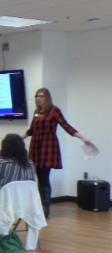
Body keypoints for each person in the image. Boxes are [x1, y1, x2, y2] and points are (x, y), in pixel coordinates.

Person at [21, 88, 92, 217]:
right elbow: (31, 130)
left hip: (48, 148)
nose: (38, 98)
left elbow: (66, 126)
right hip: (36, 147)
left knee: (44, 178)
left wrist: (83, 138)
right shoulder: (37, 112)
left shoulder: (54, 110)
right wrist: (19, 139)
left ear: (47, 97)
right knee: (39, 178)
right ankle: (40, 206)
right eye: (37, 96)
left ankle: (45, 209)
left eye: (41, 96)